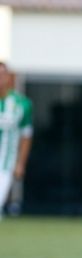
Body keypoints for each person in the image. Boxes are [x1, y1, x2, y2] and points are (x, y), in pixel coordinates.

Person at [0, 62, 33, 220]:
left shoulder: (21, 104)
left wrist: (20, 163)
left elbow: (26, 135)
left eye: (2, 74)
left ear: (9, 77)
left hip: (6, 162)